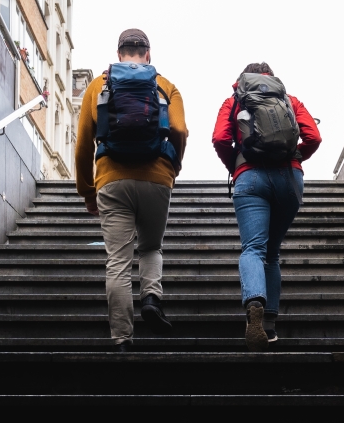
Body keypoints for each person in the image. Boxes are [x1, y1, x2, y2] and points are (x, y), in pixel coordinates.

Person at [75, 29, 187, 351]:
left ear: (119, 52)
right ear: (148, 55)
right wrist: (173, 166)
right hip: (157, 177)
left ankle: (123, 339)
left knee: (118, 262)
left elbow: (83, 144)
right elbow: (178, 129)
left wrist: (87, 191)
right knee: (151, 247)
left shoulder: (99, 85)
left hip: (112, 179)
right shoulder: (166, 86)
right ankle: (151, 298)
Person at [211, 62, 321, 351]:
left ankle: (255, 302)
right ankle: (269, 326)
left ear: (243, 78)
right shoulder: (290, 100)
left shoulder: (233, 101)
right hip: (289, 178)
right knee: (271, 253)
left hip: (250, 177)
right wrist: (296, 157)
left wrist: (236, 164)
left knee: (253, 249)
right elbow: (314, 137)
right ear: (272, 77)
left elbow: (220, 138)